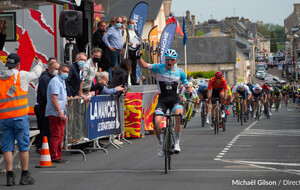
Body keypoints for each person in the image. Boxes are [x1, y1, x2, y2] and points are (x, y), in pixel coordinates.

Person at [137, 49, 192, 156]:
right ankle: (161, 143)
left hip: (175, 100)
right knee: (156, 122)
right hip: (162, 100)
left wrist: (189, 91)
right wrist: (138, 58)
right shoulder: (158, 67)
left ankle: (177, 142)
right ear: (165, 60)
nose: (169, 62)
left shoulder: (180, 72)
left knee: (178, 116)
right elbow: (143, 65)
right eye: (167, 59)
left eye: (171, 60)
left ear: (175, 61)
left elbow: (187, 86)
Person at [0, 53, 43, 186]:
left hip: (4, 118)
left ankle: (9, 176)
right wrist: (40, 64)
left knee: (7, 147)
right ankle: (24, 175)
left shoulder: (1, 78)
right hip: (20, 118)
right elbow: (36, 74)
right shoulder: (21, 75)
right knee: (23, 146)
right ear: (18, 65)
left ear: (7, 64)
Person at [45, 64, 69, 164]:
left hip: (60, 112)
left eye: (67, 72)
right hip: (55, 113)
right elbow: (54, 98)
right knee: (56, 135)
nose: (66, 74)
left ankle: (58, 154)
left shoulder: (61, 81)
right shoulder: (55, 81)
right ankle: (54, 156)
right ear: (59, 71)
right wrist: (59, 112)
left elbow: (60, 97)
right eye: (64, 71)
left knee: (60, 135)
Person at [35, 58, 59, 154]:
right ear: (50, 68)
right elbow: (46, 95)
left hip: (48, 107)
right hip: (45, 107)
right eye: (56, 68)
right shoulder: (45, 79)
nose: (58, 71)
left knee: (47, 129)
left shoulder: (52, 78)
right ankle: (43, 147)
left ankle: (43, 147)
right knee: (46, 129)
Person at [125, 19, 141, 85]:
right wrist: (129, 43)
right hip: (129, 51)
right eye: (130, 23)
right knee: (129, 66)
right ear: (128, 24)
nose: (132, 24)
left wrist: (138, 44)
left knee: (134, 66)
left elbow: (139, 39)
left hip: (135, 50)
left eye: (133, 23)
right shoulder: (126, 31)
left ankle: (134, 80)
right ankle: (128, 81)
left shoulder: (136, 32)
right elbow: (125, 40)